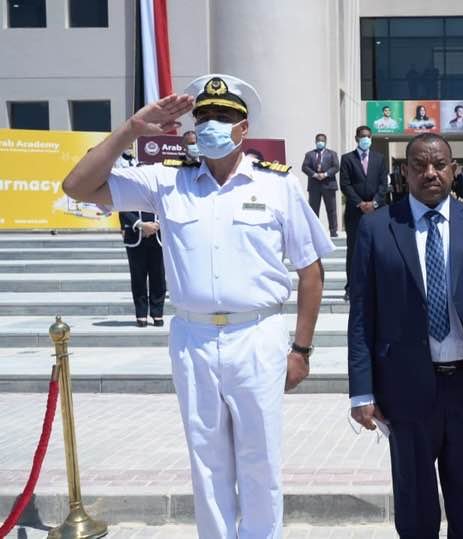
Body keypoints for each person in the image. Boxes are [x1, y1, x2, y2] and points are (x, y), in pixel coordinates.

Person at [61, 74, 335, 538]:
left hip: (257, 335)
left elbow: (311, 272)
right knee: (206, 462)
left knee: (261, 459)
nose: (211, 124)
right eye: (203, 116)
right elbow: (77, 186)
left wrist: (301, 350)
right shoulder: (168, 181)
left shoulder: (277, 185)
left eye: (223, 116)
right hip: (194, 339)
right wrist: (132, 128)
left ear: (243, 127)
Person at [347, 132, 463, 539]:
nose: (430, 173)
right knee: (415, 510)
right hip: (405, 389)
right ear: (404, 172)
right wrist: (362, 392)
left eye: (439, 165)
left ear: (453, 170)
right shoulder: (377, 228)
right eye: (419, 165)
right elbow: (362, 315)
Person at [340, 125, 388, 299]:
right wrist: (360, 203)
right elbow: (345, 184)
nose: (365, 139)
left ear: (371, 138)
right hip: (355, 212)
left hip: (377, 211)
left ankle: (377, 286)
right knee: (354, 250)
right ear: (356, 138)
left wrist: (374, 203)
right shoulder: (347, 159)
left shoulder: (379, 158)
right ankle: (351, 288)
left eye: (368, 136)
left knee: (378, 248)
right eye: (362, 136)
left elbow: (383, 184)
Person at [119, 209, 165, 327]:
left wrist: (156, 225)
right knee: (138, 277)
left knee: (158, 276)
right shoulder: (128, 194)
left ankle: (157, 312)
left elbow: (169, 207)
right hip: (135, 234)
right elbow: (123, 209)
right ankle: (141, 313)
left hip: (158, 235)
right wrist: (141, 225)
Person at [302, 132, 341, 237]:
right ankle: (314, 231)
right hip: (314, 185)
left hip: (329, 185)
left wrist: (326, 174)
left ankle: (333, 231)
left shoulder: (332, 154)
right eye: (318, 140)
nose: (320, 142)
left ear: (325, 142)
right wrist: (315, 174)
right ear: (315, 142)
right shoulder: (309, 154)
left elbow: (336, 167)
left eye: (322, 140)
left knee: (331, 209)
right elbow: (304, 167)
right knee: (314, 209)